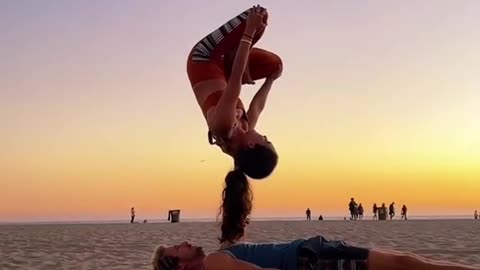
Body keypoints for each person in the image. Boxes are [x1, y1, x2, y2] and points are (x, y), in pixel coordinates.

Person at [187, 5, 283, 246]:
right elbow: (259, 106)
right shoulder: (245, 129)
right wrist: (271, 78)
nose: (264, 135)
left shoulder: (224, 127)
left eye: (265, 139)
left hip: (204, 57)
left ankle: (233, 52)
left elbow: (236, 85)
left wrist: (249, 34)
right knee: (276, 64)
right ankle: (233, 55)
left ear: (252, 145)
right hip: (226, 70)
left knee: (257, 17)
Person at [151, 237, 479, 270]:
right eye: (178, 248)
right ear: (179, 266)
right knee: (405, 263)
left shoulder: (217, 258)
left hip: (311, 254)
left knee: (405, 264)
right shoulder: (213, 263)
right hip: (312, 257)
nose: (186, 243)